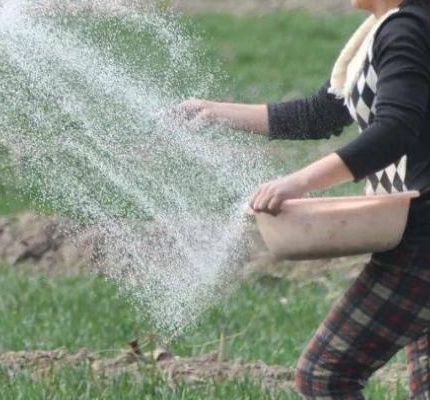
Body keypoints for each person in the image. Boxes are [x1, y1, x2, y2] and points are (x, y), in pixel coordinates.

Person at [174, 0, 430, 398]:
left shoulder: (406, 29)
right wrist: (212, 113)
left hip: (424, 239)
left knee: (325, 375)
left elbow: (395, 129)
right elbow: (323, 113)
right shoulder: (389, 28)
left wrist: (298, 182)